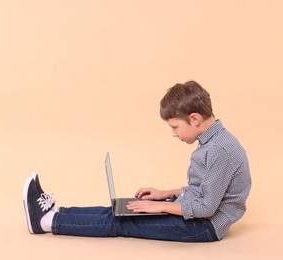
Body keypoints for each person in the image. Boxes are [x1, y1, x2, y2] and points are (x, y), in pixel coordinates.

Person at [22, 80, 251, 242]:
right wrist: (163, 193)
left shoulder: (220, 149)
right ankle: (58, 213)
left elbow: (206, 207)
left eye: (175, 127)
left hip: (203, 227)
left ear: (194, 119)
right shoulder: (214, 141)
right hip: (196, 212)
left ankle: (46, 223)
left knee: (124, 222)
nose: (174, 134)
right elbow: (205, 188)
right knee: (123, 211)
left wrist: (159, 206)